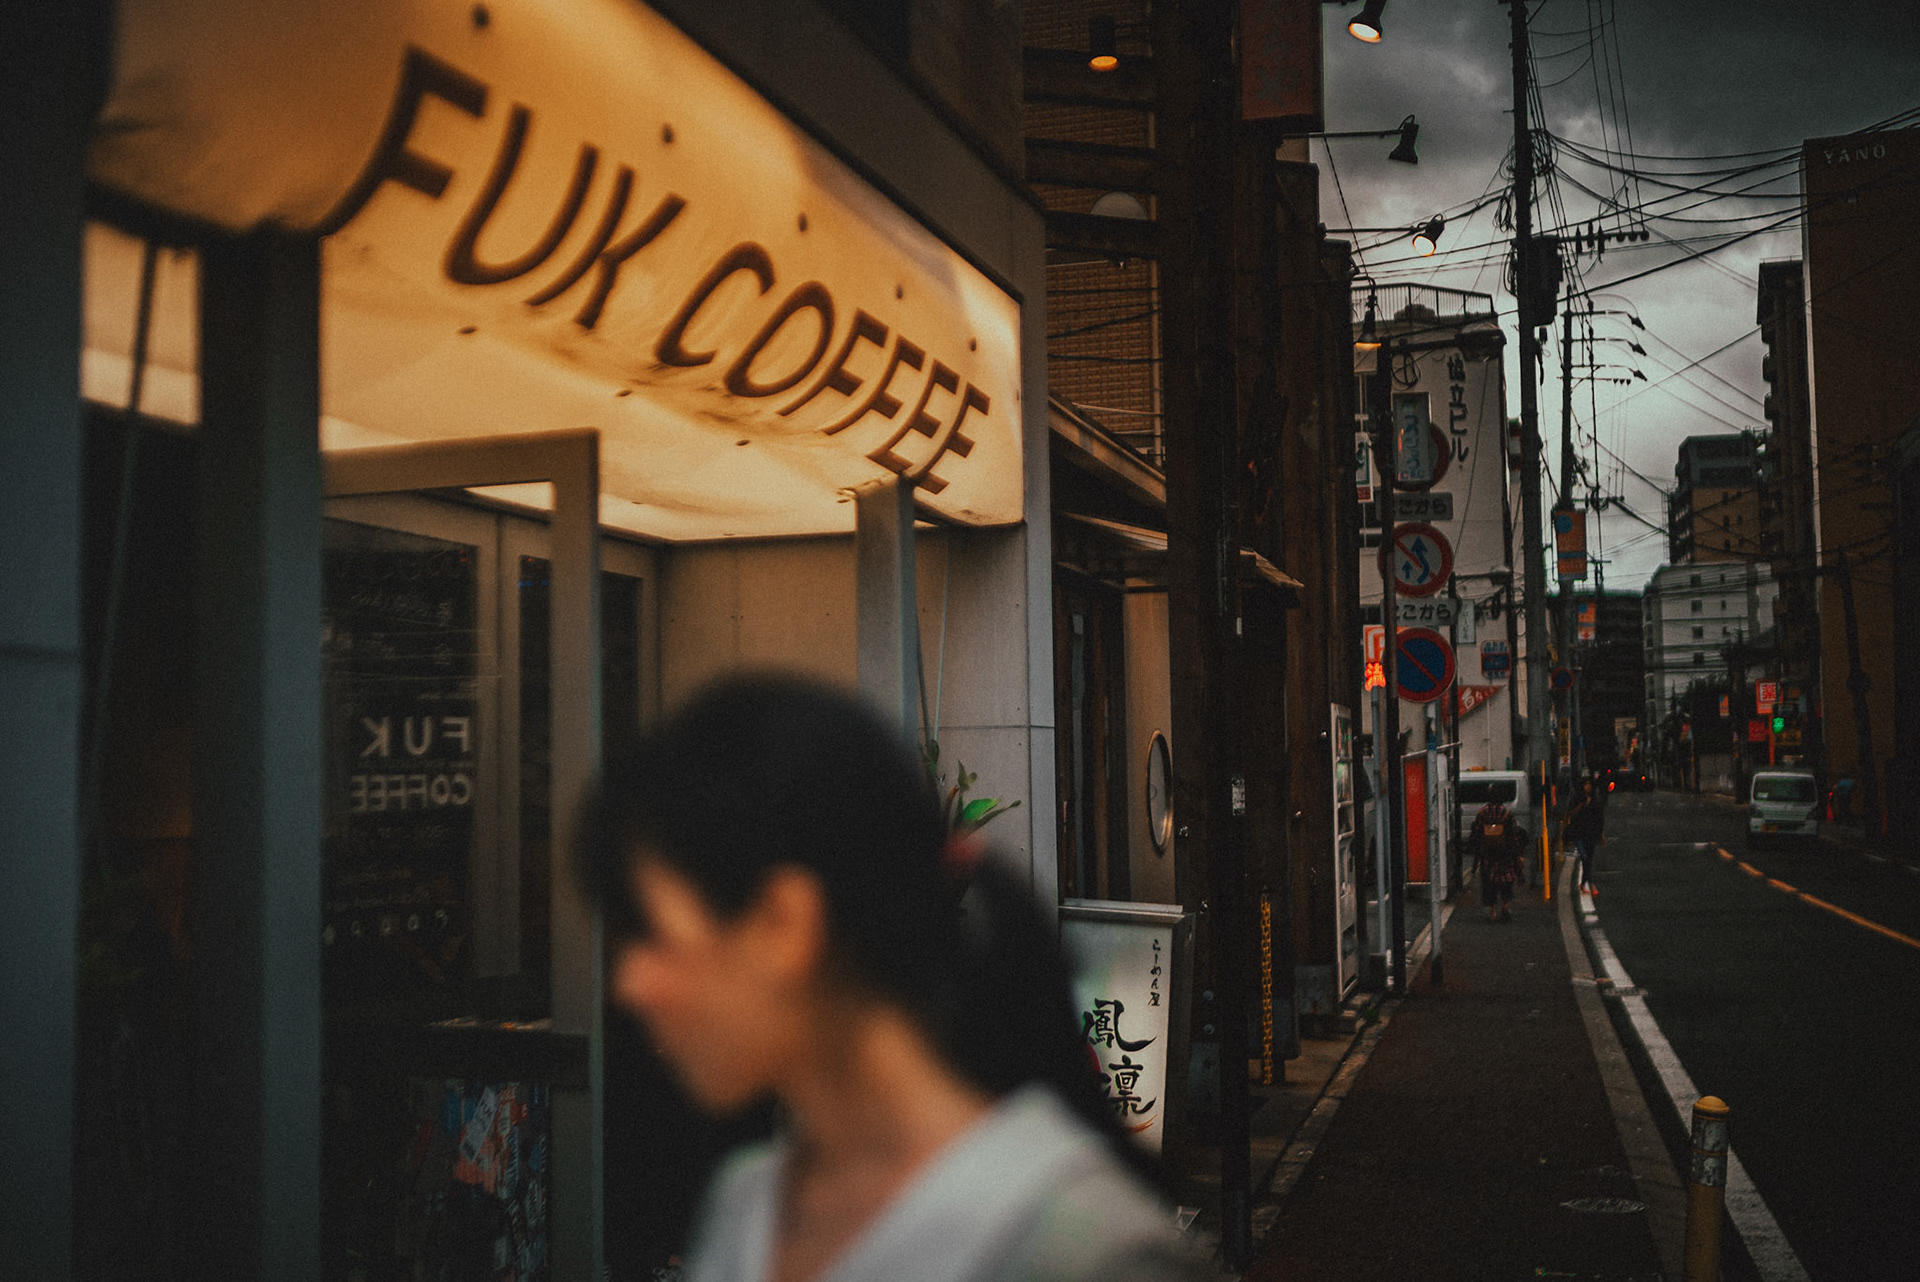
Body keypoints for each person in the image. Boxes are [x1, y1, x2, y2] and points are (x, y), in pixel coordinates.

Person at [577, 674, 1210, 1282]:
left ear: (784, 922)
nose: (630, 983)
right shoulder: (747, 1202)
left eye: (651, 934)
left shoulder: (1081, 1251)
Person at [1471, 801, 1526, 923]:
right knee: (1506, 882)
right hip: (1505, 853)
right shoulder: (1506, 813)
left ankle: (1493, 911)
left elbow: (1476, 832)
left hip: (1487, 853)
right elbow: (1514, 834)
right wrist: (1518, 853)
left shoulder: (1482, 813)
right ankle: (1505, 906)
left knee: (1489, 882)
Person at [1564, 778, 1606, 897]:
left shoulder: (1595, 801)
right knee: (1584, 857)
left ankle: (1583, 883)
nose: (1588, 787)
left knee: (1589, 859)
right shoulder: (1577, 799)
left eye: (1590, 784)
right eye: (1586, 784)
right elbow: (1570, 814)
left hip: (1591, 833)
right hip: (1578, 833)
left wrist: (1601, 834)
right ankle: (1591, 884)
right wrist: (1580, 806)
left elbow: (1599, 818)